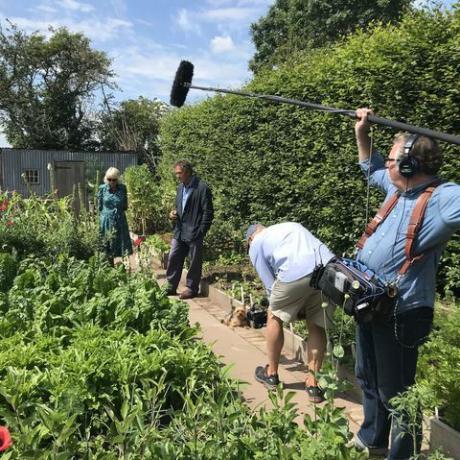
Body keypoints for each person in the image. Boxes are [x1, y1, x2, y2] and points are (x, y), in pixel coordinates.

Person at [352, 108, 460, 460]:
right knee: (367, 375)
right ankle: (373, 438)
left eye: (394, 158)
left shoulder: (442, 200)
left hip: (402, 310)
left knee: (397, 391)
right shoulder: (395, 188)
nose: (388, 164)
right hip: (369, 302)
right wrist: (362, 133)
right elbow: (370, 166)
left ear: (411, 166)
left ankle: (403, 454)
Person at [246, 222, 335, 403]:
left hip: (295, 271)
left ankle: (271, 374)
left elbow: (270, 285)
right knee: (317, 324)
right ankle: (313, 384)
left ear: (249, 238)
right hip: (328, 269)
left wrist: (288, 307)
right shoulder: (287, 227)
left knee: (274, 315)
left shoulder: (255, 243)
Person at [166, 160, 213, 299]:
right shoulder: (180, 188)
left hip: (194, 231)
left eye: (179, 173)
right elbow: (181, 207)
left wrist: (201, 231)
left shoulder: (202, 188)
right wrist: (173, 214)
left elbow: (208, 212)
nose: (177, 176)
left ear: (187, 172)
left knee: (194, 261)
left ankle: (191, 288)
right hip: (179, 231)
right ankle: (170, 286)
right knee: (173, 257)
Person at [98, 167, 133, 262]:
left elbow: (125, 205)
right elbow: (100, 206)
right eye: (109, 179)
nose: (112, 182)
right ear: (106, 179)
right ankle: (109, 266)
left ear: (118, 179)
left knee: (120, 245)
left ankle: (121, 269)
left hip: (119, 220)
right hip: (107, 220)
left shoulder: (122, 188)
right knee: (107, 244)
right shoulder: (102, 189)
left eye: (114, 180)